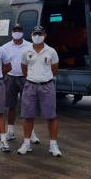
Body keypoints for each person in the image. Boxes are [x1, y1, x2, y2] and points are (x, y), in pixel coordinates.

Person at [20, 25, 62, 157]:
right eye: (35, 33)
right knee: (28, 116)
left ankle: (53, 145)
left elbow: (54, 68)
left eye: (40, 33)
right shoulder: (26, 51)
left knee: (51, 116)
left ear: (44, 35)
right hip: (30, 85)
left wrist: (44, 78)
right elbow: (24, 68)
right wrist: (33, 78)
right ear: (32, 35)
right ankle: (26, 144)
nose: (37, 36)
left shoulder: (51, 51)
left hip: (47, 86)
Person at [2, 23, 40, 145]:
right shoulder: (5, 47)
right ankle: (10, 131)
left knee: (29, 106)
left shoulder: (30, 45)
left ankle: (31, 133)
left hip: (26, 79)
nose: (17, 32)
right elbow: (1, 63)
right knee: (10, 106)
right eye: (15, 30)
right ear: (12, 32)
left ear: (22, 32)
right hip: (11, 78)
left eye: (19, 30)